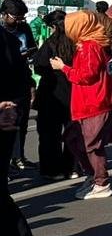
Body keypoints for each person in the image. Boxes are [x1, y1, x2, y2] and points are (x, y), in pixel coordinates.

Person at [1, 23, 56, 236]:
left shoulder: (7, 41)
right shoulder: (8, 40)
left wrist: (9, 112)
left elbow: (21, 88)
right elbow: (22, 86)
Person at [52, 10, 112, 198]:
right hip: (87, 103)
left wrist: (63, 67)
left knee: (91, 145)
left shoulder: (90, 46)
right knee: (74, 139)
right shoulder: (89, 44)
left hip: (94, 103)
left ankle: (101, 182)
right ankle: (93, 176)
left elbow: (86, 75)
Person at [32, 10, 73, 179]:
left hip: (51, 93)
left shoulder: (50, 43)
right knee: (72, 133)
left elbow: (38, 66)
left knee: (49, 134)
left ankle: (50, 169)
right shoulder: (75, 42)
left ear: (53, 26)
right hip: (72, 92)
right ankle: (70, 167)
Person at [2, 0, 37, 170]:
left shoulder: (24, 28)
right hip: (5, 84)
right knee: (7, 124)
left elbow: (32, 46)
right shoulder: (2, 32)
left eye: (21, 18)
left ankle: (19, 156)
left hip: (22, 78)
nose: (18, 21)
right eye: (16, 18)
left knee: (21, 122)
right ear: (4, 14)